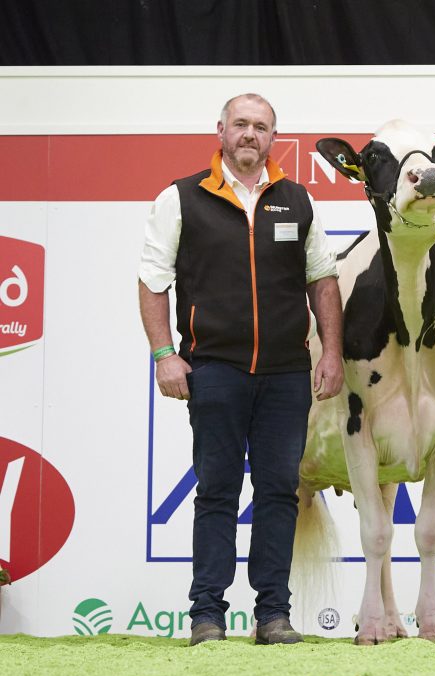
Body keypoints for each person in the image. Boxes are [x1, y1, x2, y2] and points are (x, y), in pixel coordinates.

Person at [138, 93, 344, 647]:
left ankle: (273, 615)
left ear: (273, 137)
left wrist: (330, 352)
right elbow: (153, 279)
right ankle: (207, 615)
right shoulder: (181, 198)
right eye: (241, 125)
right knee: (218, 491)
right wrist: (164, 354)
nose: (251, 134)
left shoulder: (297, 200)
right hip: (215, 369)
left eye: (262, 127)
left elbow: (323, 280)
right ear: (221, 131)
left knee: (280, 491)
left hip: (286, 374)